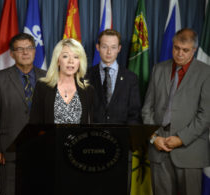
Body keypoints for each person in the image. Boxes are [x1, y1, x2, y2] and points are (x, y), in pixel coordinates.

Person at [142, 28, 210, 195]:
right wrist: (154, 137)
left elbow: (206, 115)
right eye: (176, 48)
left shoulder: (206, 73)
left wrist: (181, 139)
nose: (179, 53)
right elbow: (147, 109)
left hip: (189, 151)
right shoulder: (158, 69)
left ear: (194, 50)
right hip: (159, 148)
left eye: (185, 50)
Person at [0, 32, 46, 195]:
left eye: (29, 48)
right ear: (12, 54)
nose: (25, 52)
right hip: (10, 149)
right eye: (20, 49)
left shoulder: (47, 77)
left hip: (42, 149)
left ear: (35, 51)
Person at [29, 38, 94, 124]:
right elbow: (34, 123)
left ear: (80, 62)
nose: (71, 61)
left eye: (76, 57)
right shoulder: (42, 87)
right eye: (65, 56)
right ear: (58, 61)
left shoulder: (88, 90)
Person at [87, 29, 141, 124]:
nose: (109, 52)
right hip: (93, 134)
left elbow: (134, 114)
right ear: (97, 47)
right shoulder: (86, 75)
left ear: (119, 49)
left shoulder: (131, 78)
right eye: (104, 47)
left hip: (121, 135)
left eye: (113, 47)